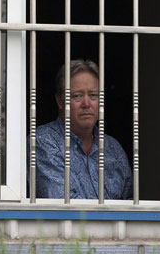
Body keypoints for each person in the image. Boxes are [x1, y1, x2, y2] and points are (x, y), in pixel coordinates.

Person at [35, 59, 133, 199]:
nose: (86, 104)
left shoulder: (113, 148)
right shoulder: (44, 140)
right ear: (60, 101)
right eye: (77, 96)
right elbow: (61, 204)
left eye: (93, 95)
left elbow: (131, 206)